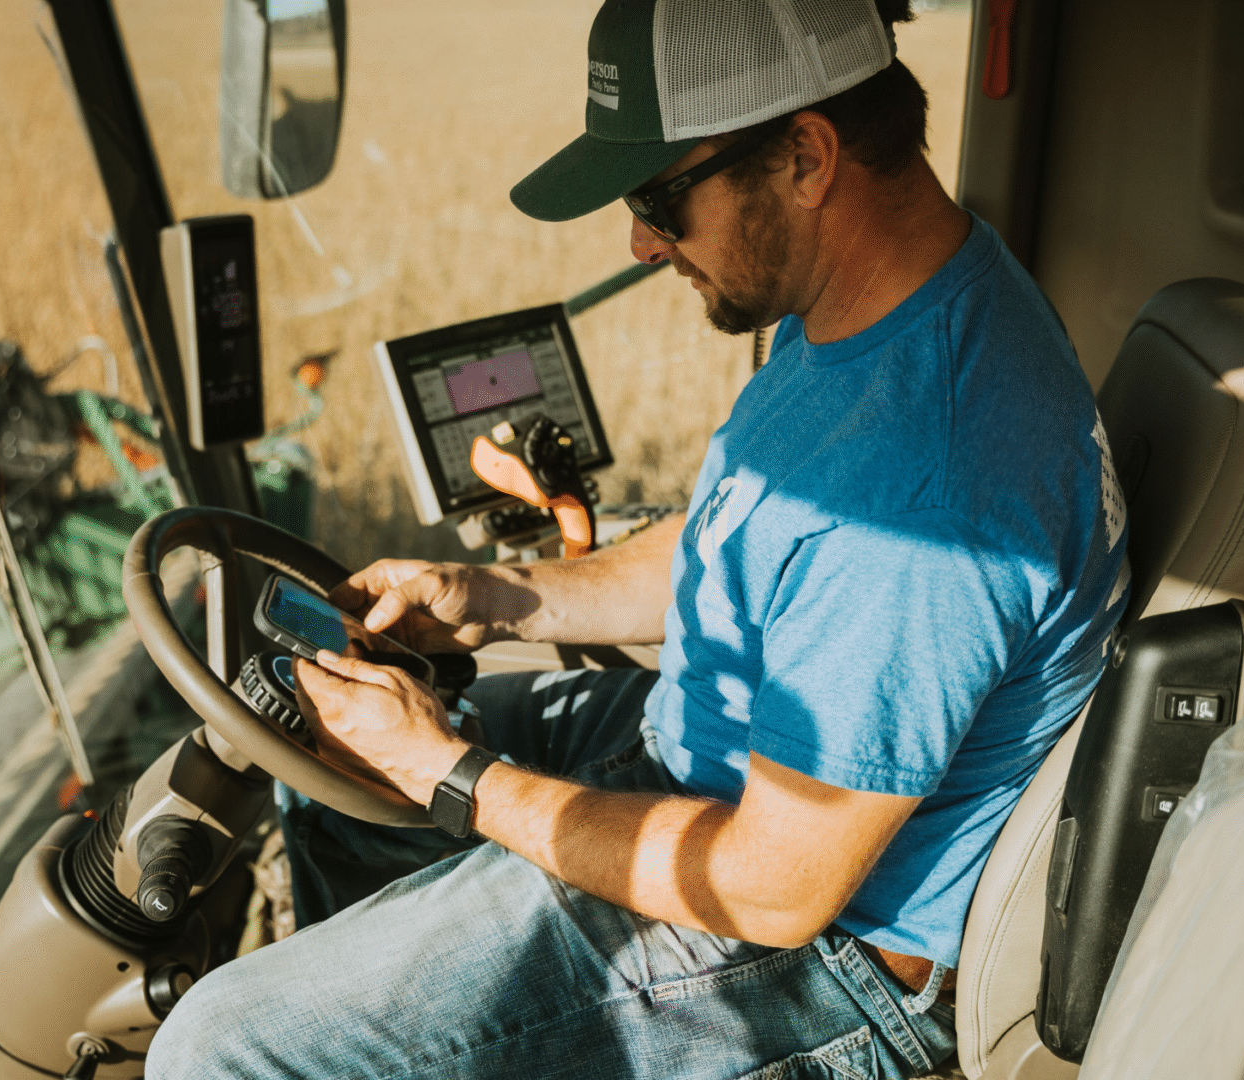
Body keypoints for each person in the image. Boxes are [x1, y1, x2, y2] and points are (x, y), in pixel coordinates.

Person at [150, 0, 1129, 1075]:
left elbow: (774, 887)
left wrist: (452, 771)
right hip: (708, 764)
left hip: (815, 957)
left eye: (662, 198)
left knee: (220, 1044)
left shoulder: (926, 486)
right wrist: (496, 592)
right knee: (314, 761)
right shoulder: (871, 310)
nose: (639, 241)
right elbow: (738, 542)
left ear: (806, 155)